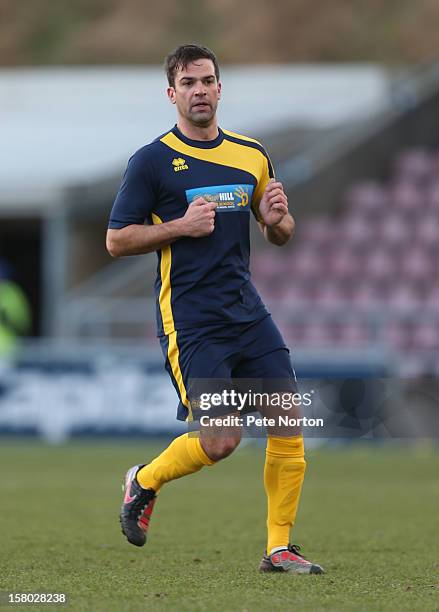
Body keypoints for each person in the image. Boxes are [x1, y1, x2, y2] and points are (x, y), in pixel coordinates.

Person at [106, 44, 323, 575]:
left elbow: (281, 234)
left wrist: (276, 220)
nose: (199, 91)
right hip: (192, 319)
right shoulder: (151, 161)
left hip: (248, 313)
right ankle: (145, 479)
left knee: (287, 418)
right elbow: (116, 240)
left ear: (220, 88)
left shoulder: (251, 155)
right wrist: (179, 226)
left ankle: (279, 549)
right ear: (172, 93)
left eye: (207, 81)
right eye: (188, 83)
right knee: (222, 440)